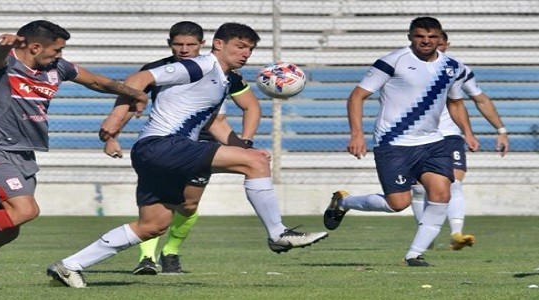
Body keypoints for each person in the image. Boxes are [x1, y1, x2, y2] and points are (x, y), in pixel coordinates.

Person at [47, 22, 328, 288]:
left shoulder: (223, 79)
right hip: (162, 145)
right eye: (240, 46)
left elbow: (216, 123)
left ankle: (70, 265)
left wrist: (243, 146)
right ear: (218, 44)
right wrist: (116, 116)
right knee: (256, 162)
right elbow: (139, 78)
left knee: (153, 225)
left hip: (159, 152)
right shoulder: (201, 65)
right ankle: (278, 234)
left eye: (250, 49)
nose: (245, 53)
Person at [0, 20, 147, 290]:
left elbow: (98, 82)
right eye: (57, 50)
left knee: (5, 232)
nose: (60, 55)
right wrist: (2, 46)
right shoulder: (4, 65)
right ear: (34, 47)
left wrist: (135, 93)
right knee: (25, 210)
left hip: (23, 155)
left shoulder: (58, 68)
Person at [104, 21, 262, 275]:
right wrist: (113, 135)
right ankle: (147, 257)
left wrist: (247, 143)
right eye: (178, 44)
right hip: (167, 142)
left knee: (188, 205)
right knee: (157, 201)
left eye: (191, 44)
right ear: (170, 45)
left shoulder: (225, 73)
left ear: (203, 44)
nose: (185, 49)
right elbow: (132, 98)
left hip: (205, 140)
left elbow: (251, 106)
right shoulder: (160, 70)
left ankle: (171, 251)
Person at [323, 16, 479, 267]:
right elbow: (357, 96)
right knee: (398, 203)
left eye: (431, 36)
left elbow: (456, 102)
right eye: (419, 36)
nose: (425, 41)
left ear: (441, 39)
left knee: (442, 193)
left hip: (433, 142)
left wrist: (467, 132)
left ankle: (414, 254)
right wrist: (357, 134)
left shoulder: (452, 67)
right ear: (410, 37)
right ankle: (344, 201)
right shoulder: (392, 61)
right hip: (393, 142)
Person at [410, 31, 510, 250]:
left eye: (441, 43)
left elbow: (480, 99)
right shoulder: (406, 66)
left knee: (454, 183)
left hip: (449, 134)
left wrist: (500, 129)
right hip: (417, 136)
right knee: (418, 189)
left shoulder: (457, 69)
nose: (437, 47)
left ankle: (457, 234)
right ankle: (425, 234)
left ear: (445, 44)